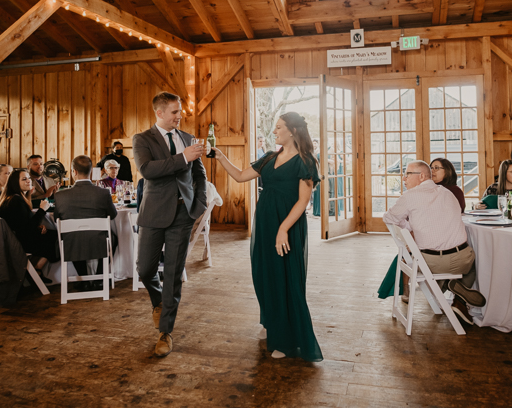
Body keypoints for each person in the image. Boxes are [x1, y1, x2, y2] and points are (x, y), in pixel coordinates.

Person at [214, 112, 323, 362]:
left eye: (279, 128)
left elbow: (303, 202)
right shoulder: (269, 157)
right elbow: (241, 176)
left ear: (293, 131)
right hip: (265, 223)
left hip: (287, 225)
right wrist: (220, 157)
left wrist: (283, 229)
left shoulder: (306, 162)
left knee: (285, 279)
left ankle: (285, 338)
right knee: (264, 274)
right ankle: (272, 322)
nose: (275, 132)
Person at [132, 92, 207, 357]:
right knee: (145, 269)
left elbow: (200, 175)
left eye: (180, 111)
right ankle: (158, 303)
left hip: (182, 216)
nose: (179, 116)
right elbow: (148, 170)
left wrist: (199, 205)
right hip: (153, 215)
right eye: (174, 112)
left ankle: (165, 332)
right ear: (160, 113)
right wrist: (183, 157)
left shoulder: (188, 138)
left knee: (174, 274)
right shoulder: (142, 139)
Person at [383, 160, 486, 326]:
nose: (404, 179)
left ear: (422, 176)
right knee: (472, 260)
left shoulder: (410, 196)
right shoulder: (448, 193)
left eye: (407, 174)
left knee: (433, 267)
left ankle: (447, 285)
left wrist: (408, 229)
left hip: (430, 264)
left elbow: (388, 218)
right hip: (462, 261)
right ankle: (456, 291)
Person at [54, 156, 118, 291]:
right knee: (113, 238)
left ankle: (83, 278)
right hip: (99, 241)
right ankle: (100, 277)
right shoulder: (103, 193)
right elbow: (113, 215)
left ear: (74, 172)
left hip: (71, 243)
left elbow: (56, 218)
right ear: (90, 172)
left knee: (71, 236)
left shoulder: (60, 195)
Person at [0, 169, 58, 274]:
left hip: (15, 239)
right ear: (15, 183)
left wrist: (37, 227)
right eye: (24, 179)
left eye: (29, 178)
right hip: (20, 243)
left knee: (52, 235)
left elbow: (21, 223)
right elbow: (26, 229)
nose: (28, 181)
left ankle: (36, 270)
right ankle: (37, 269)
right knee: (57, 238)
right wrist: (42, 210)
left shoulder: (12, 198)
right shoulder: (16, 201)